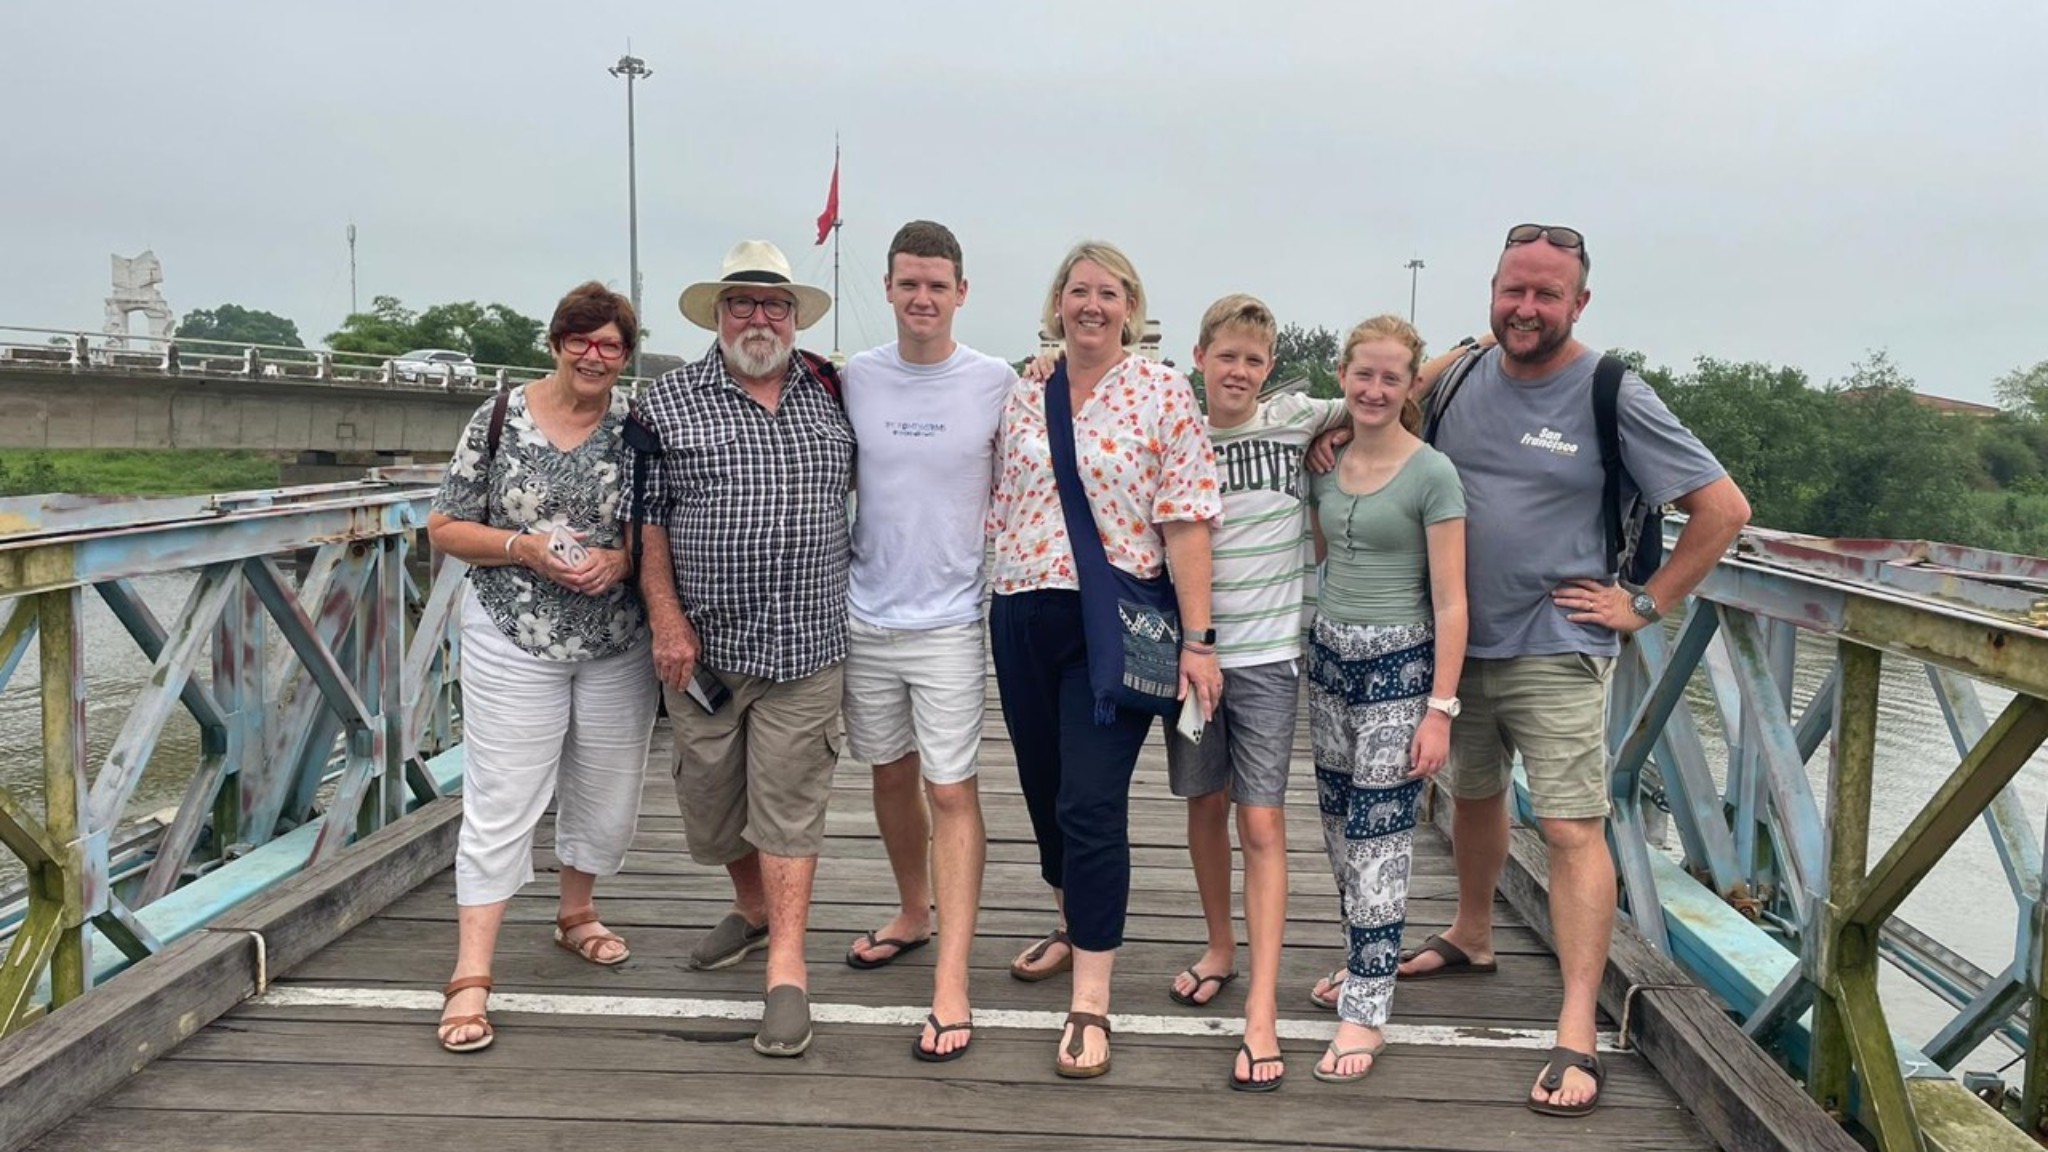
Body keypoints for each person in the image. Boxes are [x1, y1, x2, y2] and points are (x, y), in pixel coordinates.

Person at [1402, 224, 1750, 1116]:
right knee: (1473, 796)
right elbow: (1379, 404)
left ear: (1579, 304)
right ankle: (1473, 934)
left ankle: (1575, 1025)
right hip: (1458, 642)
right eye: (1512, 290)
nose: (1526, 308)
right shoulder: (1461, 377)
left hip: (1557, 646)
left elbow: (1722, 508)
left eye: (1546, 295)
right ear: (1490, 292)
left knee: (1567, 828)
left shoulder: (1611, 392)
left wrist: (1645, 604)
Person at [987, 241, 1223, 1079]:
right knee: (1045, 793)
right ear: (1056, 303)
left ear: (1131, 307)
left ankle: (1092, 994)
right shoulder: (1026, 391)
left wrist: (1199, 641)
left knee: (1091, 803)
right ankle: (1068, 918)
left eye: (1108, 292)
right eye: (1078, 290)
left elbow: (1188, 517)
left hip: (1112, 622)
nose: (1092, 304)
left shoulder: (1161, 392)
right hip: (1019, 610)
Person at [633, 240, 854, 1059]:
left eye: (775, 305)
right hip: (704, 653)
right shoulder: (666, 403)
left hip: (808, 645)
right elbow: (647, 520)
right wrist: (665, 618)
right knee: (713, 804)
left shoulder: (835, 391)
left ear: (795, 318)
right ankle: (752, 909)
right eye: (743, 304)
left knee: (790, 807)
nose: (759, 319)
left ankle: (787, 970)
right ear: (718, 315)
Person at [427, 281, 658, 1053]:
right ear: (556, 342)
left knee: (605, 788)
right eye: (580, 340)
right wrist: (521, 547)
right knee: (504, 793)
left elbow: (654, 527)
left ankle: (576, 915)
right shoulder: (498, 417)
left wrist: (621, 561)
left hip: (615, 636)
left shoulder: (638, 426)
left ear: (626, 356)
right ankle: (471, 974)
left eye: (611, 345)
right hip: (510, 630)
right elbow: (445, 524)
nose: (594, 355)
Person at [837, 221, 1017, 1062]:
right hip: (865, 612)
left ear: (961, 293)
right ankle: (914, 909)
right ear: (888, 288)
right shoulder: (851, 380)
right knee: (889, 775)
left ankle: (952, 979)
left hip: (950, 619)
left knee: (952, 791)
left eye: (937, 285)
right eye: (908, 283)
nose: (922, 298)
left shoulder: (998, 381)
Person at [1159, 294, 1347, 1091]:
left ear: (1269, 371)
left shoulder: (1297, 420)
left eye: (1254, 360)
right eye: (1225, 355)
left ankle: (1261, 1007)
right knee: (1205, 805)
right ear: (1198, 357)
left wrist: (1473, 344)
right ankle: (1219, 944)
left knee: (1261, 820)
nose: (1238, 371)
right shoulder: (1171, 427)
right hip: (1190, 655)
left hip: (1269, 656)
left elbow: (1392, 384)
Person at [1303, 314, 1467, 1084]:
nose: (1374, 389)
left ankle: (1367, 1010)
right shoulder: (1325, 463)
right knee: (1340, 831)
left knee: (1381, 841)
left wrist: (1441, 706)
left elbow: (1452, 603)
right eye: (1362, 374)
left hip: (1400, 667)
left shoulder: (1432, 473)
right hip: (1329, 660)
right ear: (1344, 375)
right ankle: (1362, 962)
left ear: (1409, 387)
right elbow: (1323, 554)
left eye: (1390, 378)